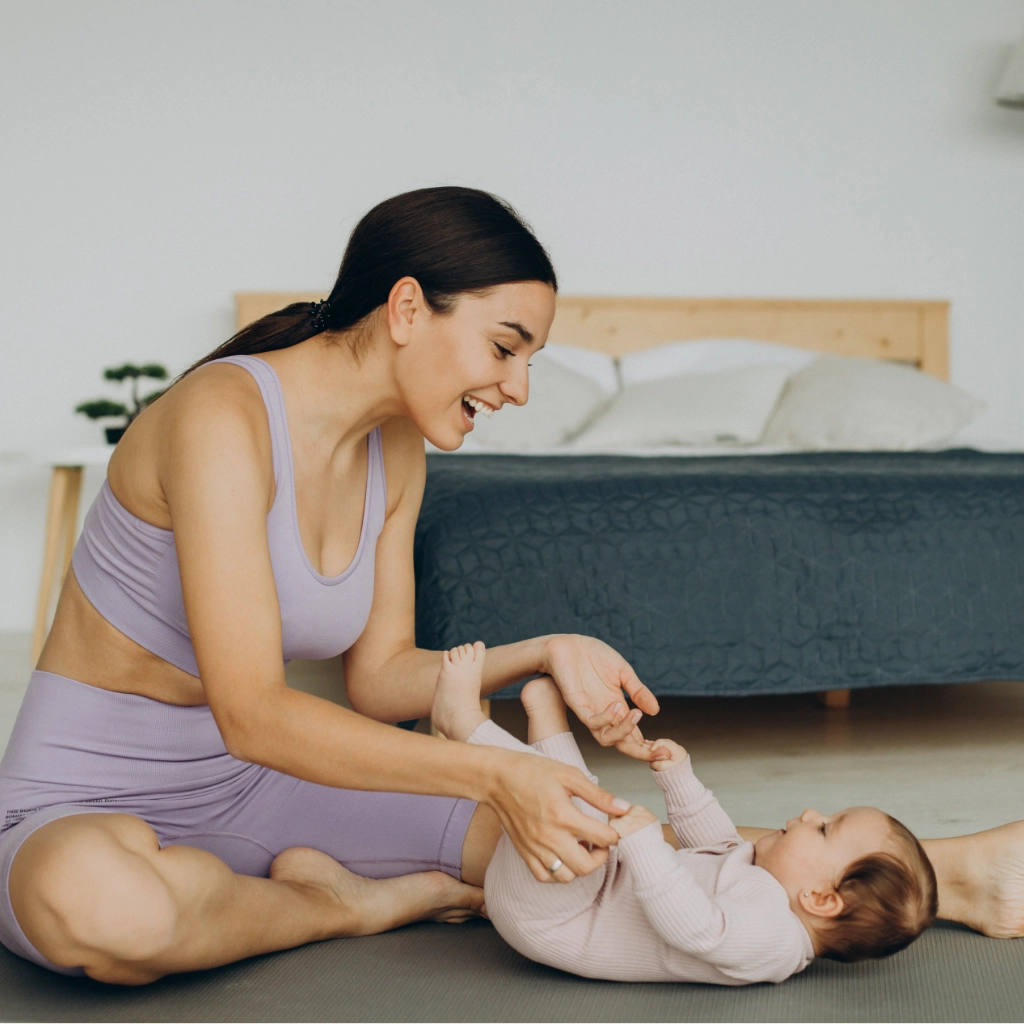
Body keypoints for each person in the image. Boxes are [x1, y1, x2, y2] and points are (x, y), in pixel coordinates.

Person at [0, 187, 1020, 986]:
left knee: (581, 848)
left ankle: (951, 870)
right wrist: (494, 773)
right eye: (504, 348)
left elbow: (380, 681)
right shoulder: (218, 418)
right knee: (97, 909)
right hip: (91, 789)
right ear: (407, 307)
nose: (518, 388)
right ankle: (352, 905)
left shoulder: (393, 451)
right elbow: (255, 710)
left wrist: (540, 650)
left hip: (270, 788)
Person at [431, 643, 937, 984]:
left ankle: (465, 726)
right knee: (582, 800)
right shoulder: (766, 882)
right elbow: (715, 846)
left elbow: (698, 929)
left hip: (559, 914)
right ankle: (545, 723)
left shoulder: (775, 941)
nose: (809, 812)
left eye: (825, 828)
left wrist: (646, 845)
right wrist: (680, 779)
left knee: (580, 813)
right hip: (581, 888)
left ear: (820, 898)